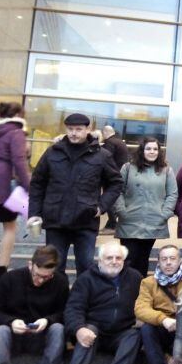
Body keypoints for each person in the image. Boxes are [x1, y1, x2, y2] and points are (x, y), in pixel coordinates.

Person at [28, 113, 123, 276]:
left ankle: (82, 301)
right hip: (55, 219)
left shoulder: (101, 155)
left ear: (88, 130)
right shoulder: (52, 152)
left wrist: (101, 206)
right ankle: (58, 302)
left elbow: (116, 183)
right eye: (70, 129)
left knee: (86, 267)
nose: (74, 133)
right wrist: (34, 213)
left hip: (86, 219)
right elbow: (37, 183)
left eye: (78, 129)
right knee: (55, 267)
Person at [61, 243, 142, 364]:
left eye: (118, 258)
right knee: (87, 333)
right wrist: (78, 329)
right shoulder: (86, 278)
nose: (114, 261)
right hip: (94, 329)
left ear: (124, 260)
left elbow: (146, 303)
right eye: (109, 257)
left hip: (121, 331)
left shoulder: (134, 277)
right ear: (100, 260)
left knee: (135, 335)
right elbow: (73, 308)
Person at [114, 137, 178, 277]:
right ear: (142, 150)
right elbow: (117, 190)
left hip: (153, 221)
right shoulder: (128, 168)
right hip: (129, 221)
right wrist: (121, 211)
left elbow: (172, 194)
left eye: (155, 149)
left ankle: (140, 293)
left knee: (143, 260)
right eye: (148, 148)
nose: (152, 152)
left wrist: (165, 213)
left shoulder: (166, 170)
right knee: (128, 259)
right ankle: (124, 293)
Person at [134, 244, 182, 364]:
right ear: (158, 262)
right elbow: (140, 308)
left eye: (172, 258)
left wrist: (180, 321)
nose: (168, 263)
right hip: (163, 328)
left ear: (180, 261)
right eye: (164, 259)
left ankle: (175, 359)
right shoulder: (148, 283)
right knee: (146, 328)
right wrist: (163, 319)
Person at [0, 102, 30, 284]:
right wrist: (27, 185)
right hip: (3, 182)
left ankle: (1, 271)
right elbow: (18, 160)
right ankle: (1, 271)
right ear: (19, 114)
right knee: (9, 227)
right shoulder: (16, 132)